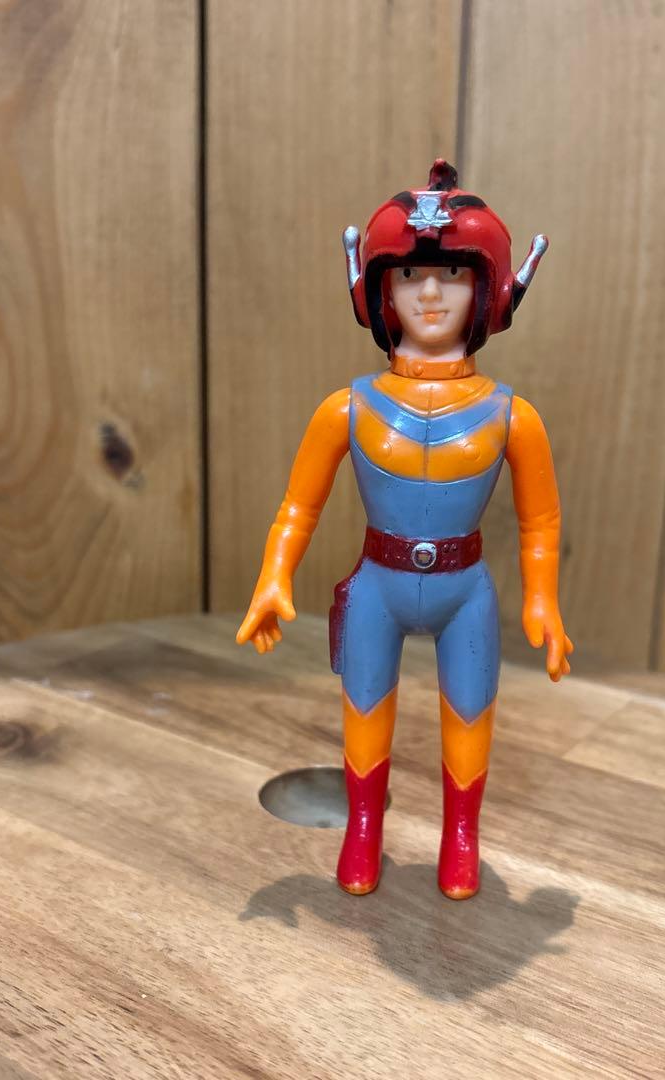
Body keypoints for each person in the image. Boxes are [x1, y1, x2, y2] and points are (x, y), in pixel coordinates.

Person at [237, 160, 572, 900]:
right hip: (379, 586)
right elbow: (298, 508)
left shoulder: (513, 417)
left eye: (452, 274)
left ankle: (462, 836)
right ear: (378, 291)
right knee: (364, 708)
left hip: (465, 590)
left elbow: (541, 519)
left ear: (488, 290)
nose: (429, 294)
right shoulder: (346, 409)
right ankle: (363, 827)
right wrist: (273, 575)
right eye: (410, 275)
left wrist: (542, 598)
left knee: (470, 713)